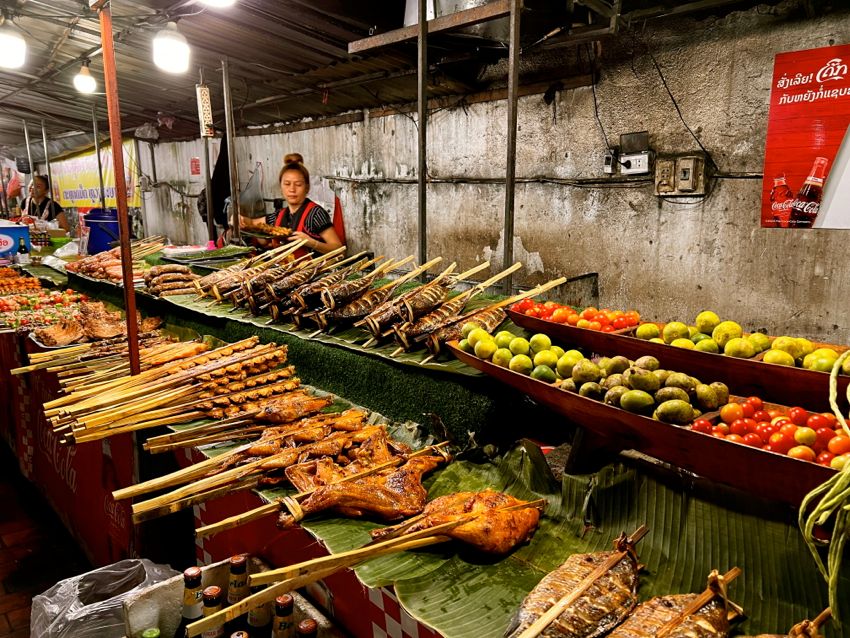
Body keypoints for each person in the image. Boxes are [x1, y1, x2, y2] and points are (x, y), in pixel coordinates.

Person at [271, 158, 342, 256]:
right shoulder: (279, 215)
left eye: (298, 184)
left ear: (307, 188)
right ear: (280, 187)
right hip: (283, 265)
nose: (292, 189)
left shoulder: (315, 214)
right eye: (287, 184)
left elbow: (339, 250)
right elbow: (255, 225)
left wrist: (311, 242)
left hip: (312, 266)